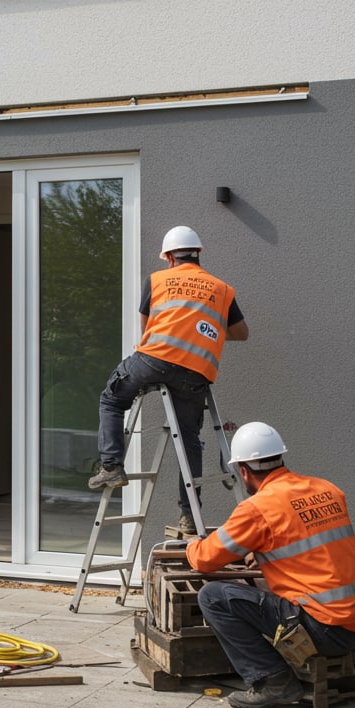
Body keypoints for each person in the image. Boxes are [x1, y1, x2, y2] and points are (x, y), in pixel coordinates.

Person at [185, 422, 355, 708]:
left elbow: (204, 558)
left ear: (244, 471)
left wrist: (189, 544)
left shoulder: (258, 508)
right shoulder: (327, 489)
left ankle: (272, 682)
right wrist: (266, 552)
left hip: (325, 630)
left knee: (212, 597)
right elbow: (311, 545)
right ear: (280, 458)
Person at [89, 225, 248, 535]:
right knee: (189, 439)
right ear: (198, 254)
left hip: (154, 360)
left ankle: (111, 467)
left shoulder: (158, 280)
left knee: (112, 398)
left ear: (169, 258)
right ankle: (189, 517)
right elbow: (242, 333)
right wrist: (204, 328)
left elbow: (147, 328)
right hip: (195, 371)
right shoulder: (222, 289)